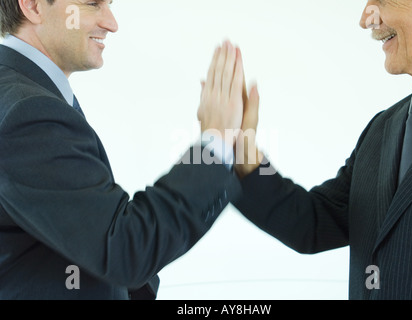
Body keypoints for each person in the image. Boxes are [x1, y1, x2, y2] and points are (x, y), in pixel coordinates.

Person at [0, 0, 246, 299]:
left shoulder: (22, 95)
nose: (111, 23)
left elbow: (84, 236)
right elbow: (123, 248)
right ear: (34, 6)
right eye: (92, 4)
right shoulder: (28, 111)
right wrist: (215, 144)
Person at [233, 0, 412, 299]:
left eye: (382, 1)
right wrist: (244, 154)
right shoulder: (382, 129)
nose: (366, 19)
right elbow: (313, 222)